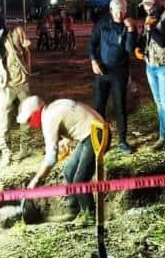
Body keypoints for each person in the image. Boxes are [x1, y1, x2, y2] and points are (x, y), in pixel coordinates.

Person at [19, 96, 105, 225]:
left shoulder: (48, 119)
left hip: (97, 134)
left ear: (36, 113)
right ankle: (73, 210)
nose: (29, 124)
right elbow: (77, 116)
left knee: (79, 181)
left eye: (29, 119)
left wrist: (36, 180)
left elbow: (51, 158)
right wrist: (67, 139)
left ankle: (90, 215)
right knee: (69, 170)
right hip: (92, 131)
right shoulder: (53, 107)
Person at [0, 5, 32, 166]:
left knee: (28, 118)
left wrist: (28, 70)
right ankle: (6, 152)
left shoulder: (15, 33)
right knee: (2, 122)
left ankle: (26, 148)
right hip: (3, 88)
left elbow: (28, 51)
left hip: (22, 84)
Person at [88, 0, 138, 154]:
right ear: (111, 11)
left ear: (125, 11)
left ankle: (123, 141)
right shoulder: (103, 23)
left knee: (120, 107)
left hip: (119, 73)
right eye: (116, 11)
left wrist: (130, 29)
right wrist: (93, 61)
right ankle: (100, 140)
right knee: (99, 107)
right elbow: (92, 43)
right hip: (102, 70)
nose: (119, 14)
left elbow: (130, 48)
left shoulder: (128, 26)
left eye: (121, 11)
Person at [138, 0, 165, 156]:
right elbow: (146, 38)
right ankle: (163, 137)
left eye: (148, 5)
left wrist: (150, 27)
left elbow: (162, 41)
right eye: (144, 5)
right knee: (158, 103)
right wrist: (139, 47)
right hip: (151, 64)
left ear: (156, 5)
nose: (146, 8)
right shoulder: (149, 18)